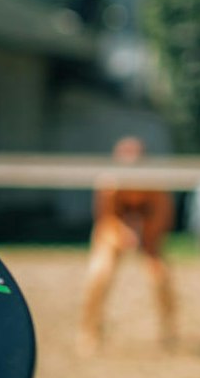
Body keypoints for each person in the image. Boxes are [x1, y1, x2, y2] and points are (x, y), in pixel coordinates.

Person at [75, 136, 179, 355]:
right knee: (98, 276)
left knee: (161, 278)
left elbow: (162, 219)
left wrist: (144, 236)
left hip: (147, 236)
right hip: (112, 235)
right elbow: (105, 219)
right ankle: (90, 331)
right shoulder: (109, 184)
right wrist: (125, 235)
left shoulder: (155, 186)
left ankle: (168, 331)